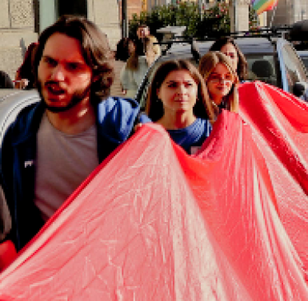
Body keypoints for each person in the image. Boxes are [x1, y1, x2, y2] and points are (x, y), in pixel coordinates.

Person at [0, 17, 146, 255]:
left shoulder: (130, 129)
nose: (56, 76)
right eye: (50, 62)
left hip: (111, 274)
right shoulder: (18, 134)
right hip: (44, 280)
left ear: (97, 74)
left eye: (73, 66)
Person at [145, 59, 214, 154]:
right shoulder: (146, 136)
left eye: (188, 85)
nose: (182, 92)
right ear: (158, 92)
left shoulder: (212, 132)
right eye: (172, 85)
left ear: (197, 90)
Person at [120, 34, 160, 98]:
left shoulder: (130, 61)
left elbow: (123, 79)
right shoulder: (156, 61)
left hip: (131, 96)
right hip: (147, 97)